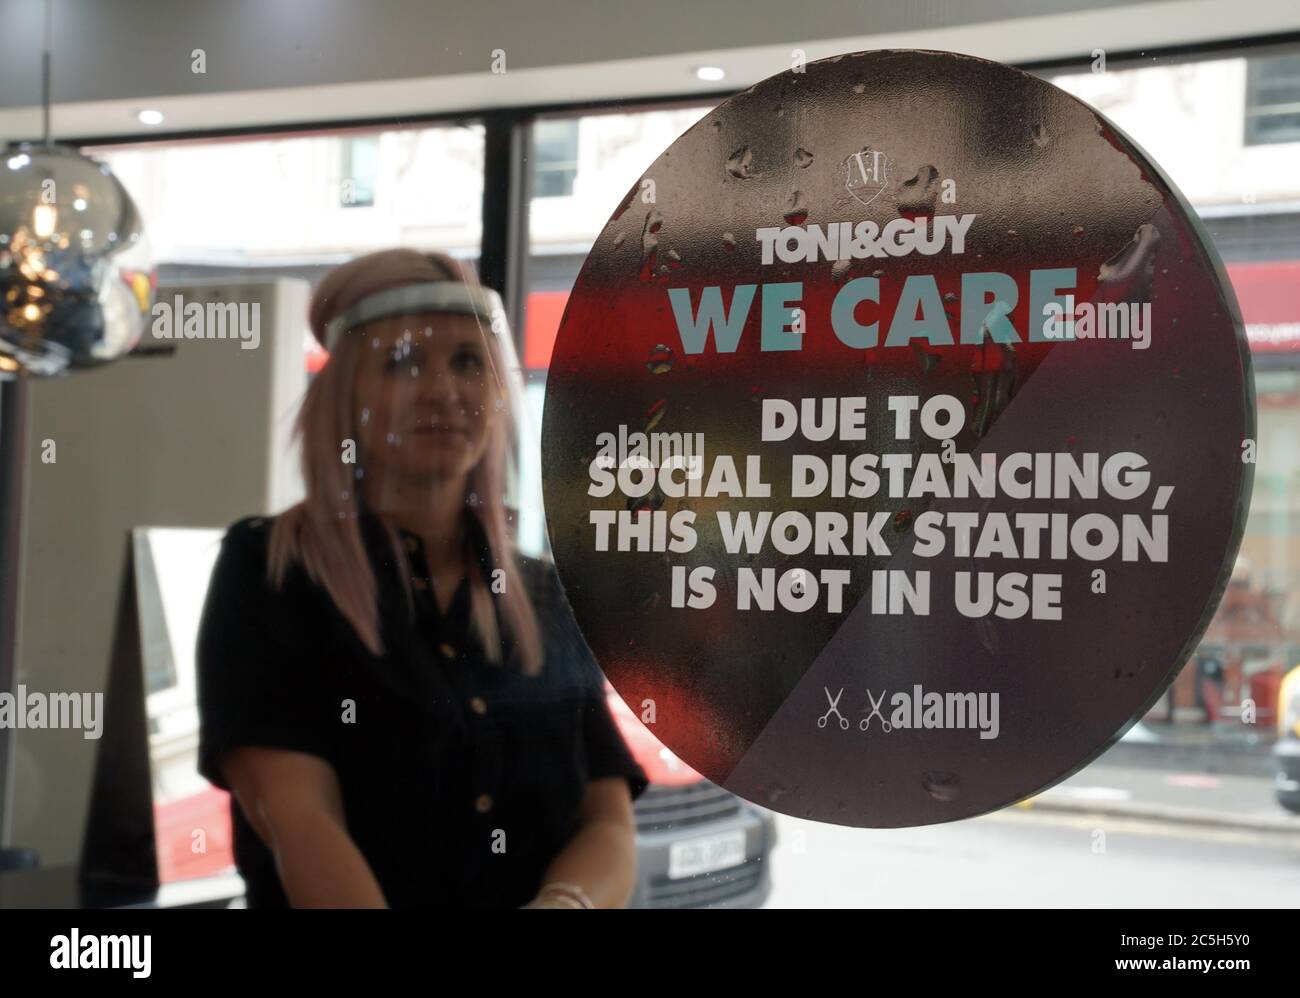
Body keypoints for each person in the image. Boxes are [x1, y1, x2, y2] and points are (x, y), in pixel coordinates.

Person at [195, 248, 648, 909]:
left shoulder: (545, 593)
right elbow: (295, 818)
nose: (443, 390)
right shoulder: (272, 572)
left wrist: (564, 904)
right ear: (345, 396)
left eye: (469, 361)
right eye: (404, 362)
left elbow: (606, 815)